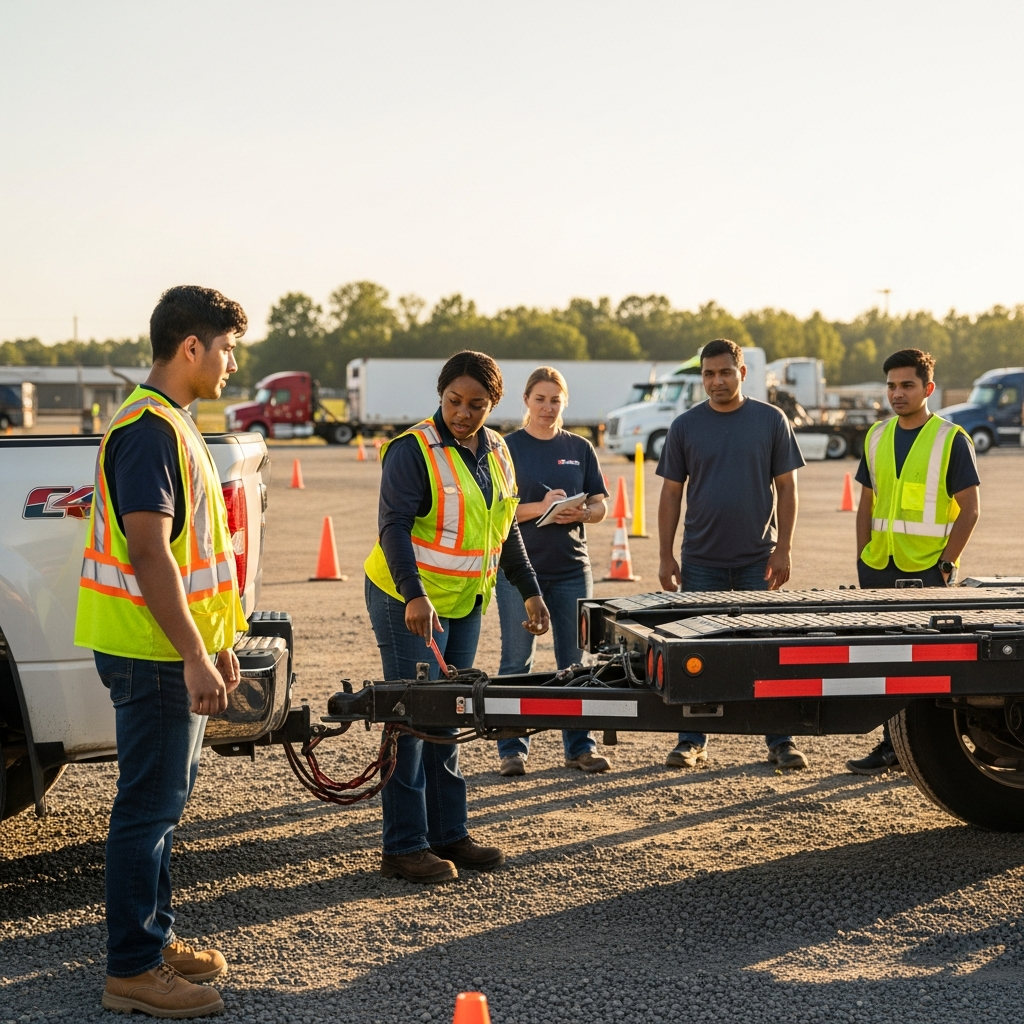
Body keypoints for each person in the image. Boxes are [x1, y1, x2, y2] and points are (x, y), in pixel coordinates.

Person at [74, 286, 249, 1018]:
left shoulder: (172, 423)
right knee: (146, 811)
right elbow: (151, 555)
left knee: (162, 806)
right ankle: (133, 970)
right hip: (151, 655)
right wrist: (193, 656)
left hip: (168, 650)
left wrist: (217, 641)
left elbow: (190, 552)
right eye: (228, 348)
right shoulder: (150, 430)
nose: (232, 364)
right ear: (191, 348)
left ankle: (151, 936)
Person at [365, 350, 551, 883]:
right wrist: (413, 596)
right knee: (412, 714)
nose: (463, 414)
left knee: (448, 713)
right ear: (440, 394)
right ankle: (403, 846)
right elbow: (393, 528)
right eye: (454, 401)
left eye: (476, 405)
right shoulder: (412, 450)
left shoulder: (497, 449)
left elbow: (504, 527)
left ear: (493, 405)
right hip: (409, 600)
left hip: (465, 603)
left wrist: (530, 590)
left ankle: (449, 833)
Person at [657, 338, 810, 770]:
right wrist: (667, 556)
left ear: (743, 373)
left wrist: (784, 549)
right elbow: (671, 493)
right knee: (695, 653)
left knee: (766, 650)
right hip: (701, 561)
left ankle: (781, 740)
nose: (716, 381)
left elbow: (787, 487)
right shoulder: (685, 426)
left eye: (725, 372)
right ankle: (691, 741)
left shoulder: (770, 420)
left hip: (757, 559)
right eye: (708, 374)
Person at [846, 348, 980, 774]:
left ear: (928, 389)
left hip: (926, 569)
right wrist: (863, 556)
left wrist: (946, 564)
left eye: (906, 385)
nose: (897, 394)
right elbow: (866, 503)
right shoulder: (876, 436)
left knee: (923, 663)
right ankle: (891, 747)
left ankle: (923, 754)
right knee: (885, 657)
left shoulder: (951, 439)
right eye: (891, 386)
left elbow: (971, 509)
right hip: (879, 565)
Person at [494, 367, 610, 777]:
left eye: (555, 400)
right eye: (540, 399)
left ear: (565, 403)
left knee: (574, 663)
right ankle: (512, 749)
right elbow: (497, 509)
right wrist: (541, 508)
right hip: (518, 574)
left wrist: (585, 512)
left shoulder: (579, 447)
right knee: (516, 662)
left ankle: (580, 747)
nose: (548, 407)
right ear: (526, 400)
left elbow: (600, 505)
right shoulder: (506, 448)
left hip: (571, 571)